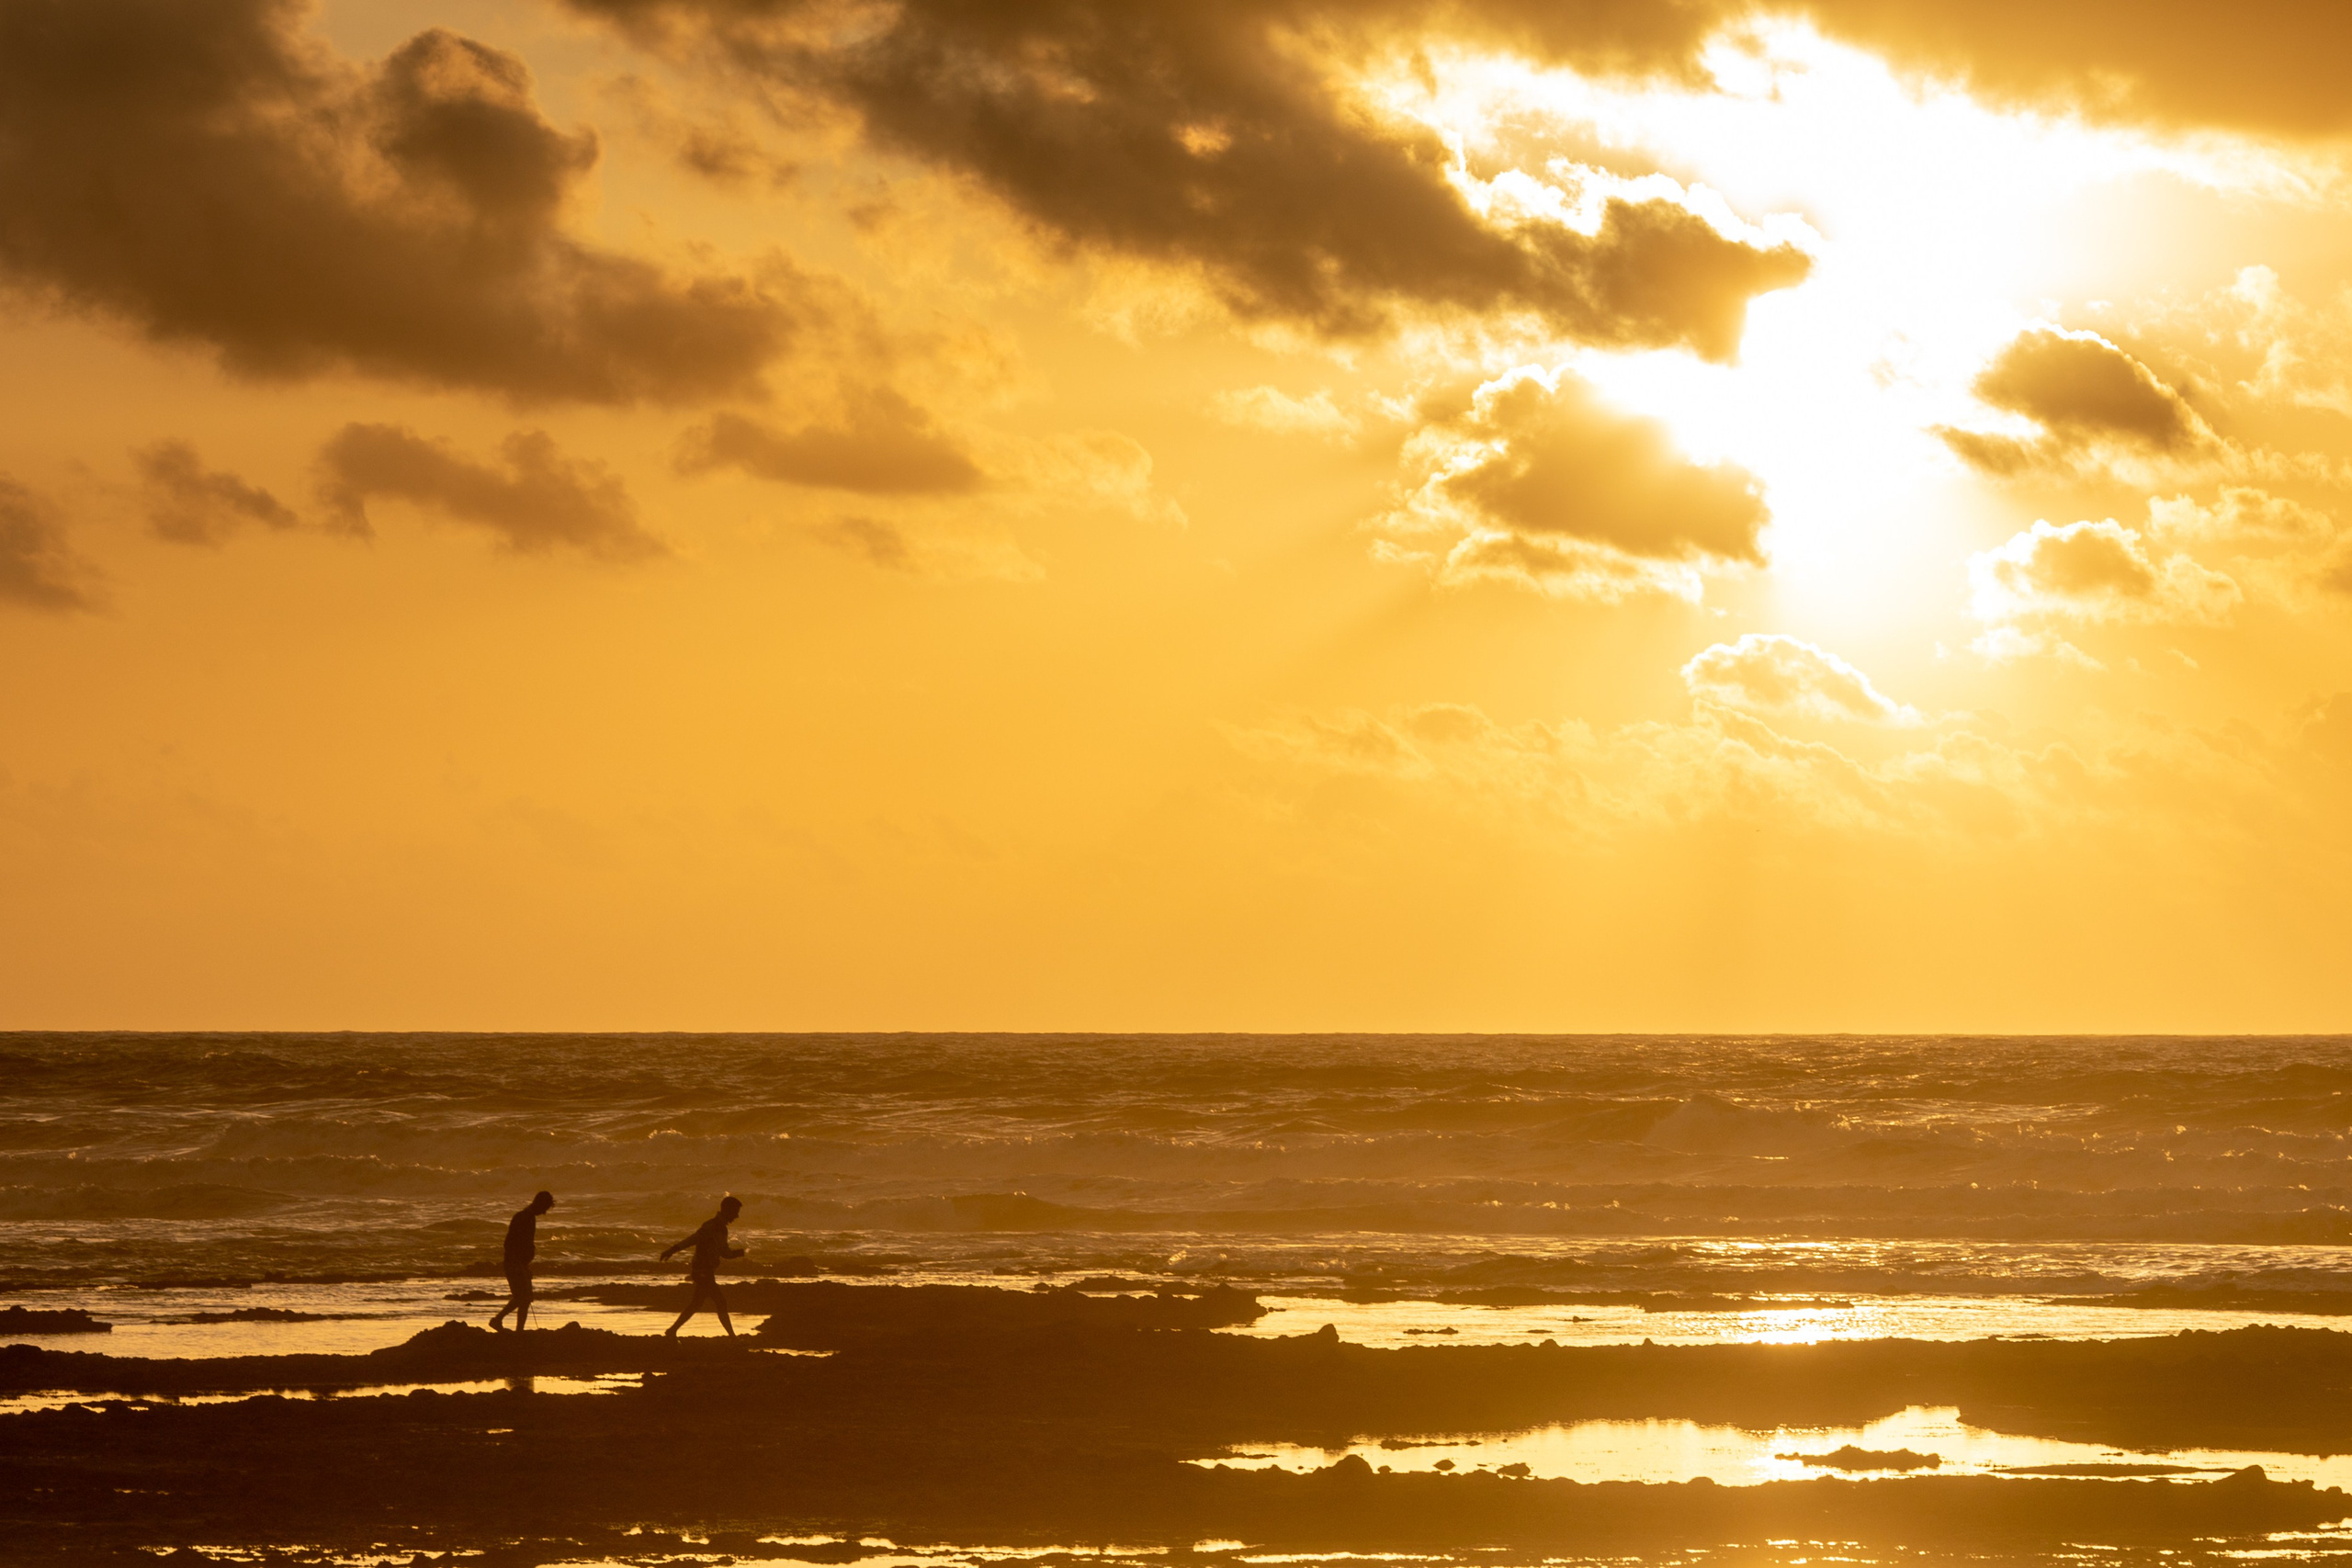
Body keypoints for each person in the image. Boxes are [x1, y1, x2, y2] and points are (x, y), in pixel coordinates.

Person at [660, 1195, 745, 1337]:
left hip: (705, 1271)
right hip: (702, 1272)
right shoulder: (711, 1226)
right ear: (728, 1210)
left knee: (696, 1304)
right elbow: (693, 1240)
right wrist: (672, 1250)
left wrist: (740, 1253)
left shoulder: (721, 1228)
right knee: (720, 1303)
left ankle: (672, 1330)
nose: (737, 1216)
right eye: (735, 1212)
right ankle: (733, 1338)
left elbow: (724, 1253)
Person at [489, 1190, 555, 1332]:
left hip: (519, 1263)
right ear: (539, 1203)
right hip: (514, 1263)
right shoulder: (524, 1217)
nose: (544, 1212)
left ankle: (518, 1330)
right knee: (522, 1298)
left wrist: (525, 1265)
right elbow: (511, 1243)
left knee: (525, 1298)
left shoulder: (528, 1217)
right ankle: (498, 1320)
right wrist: (519, 1264)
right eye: (545, 1208)